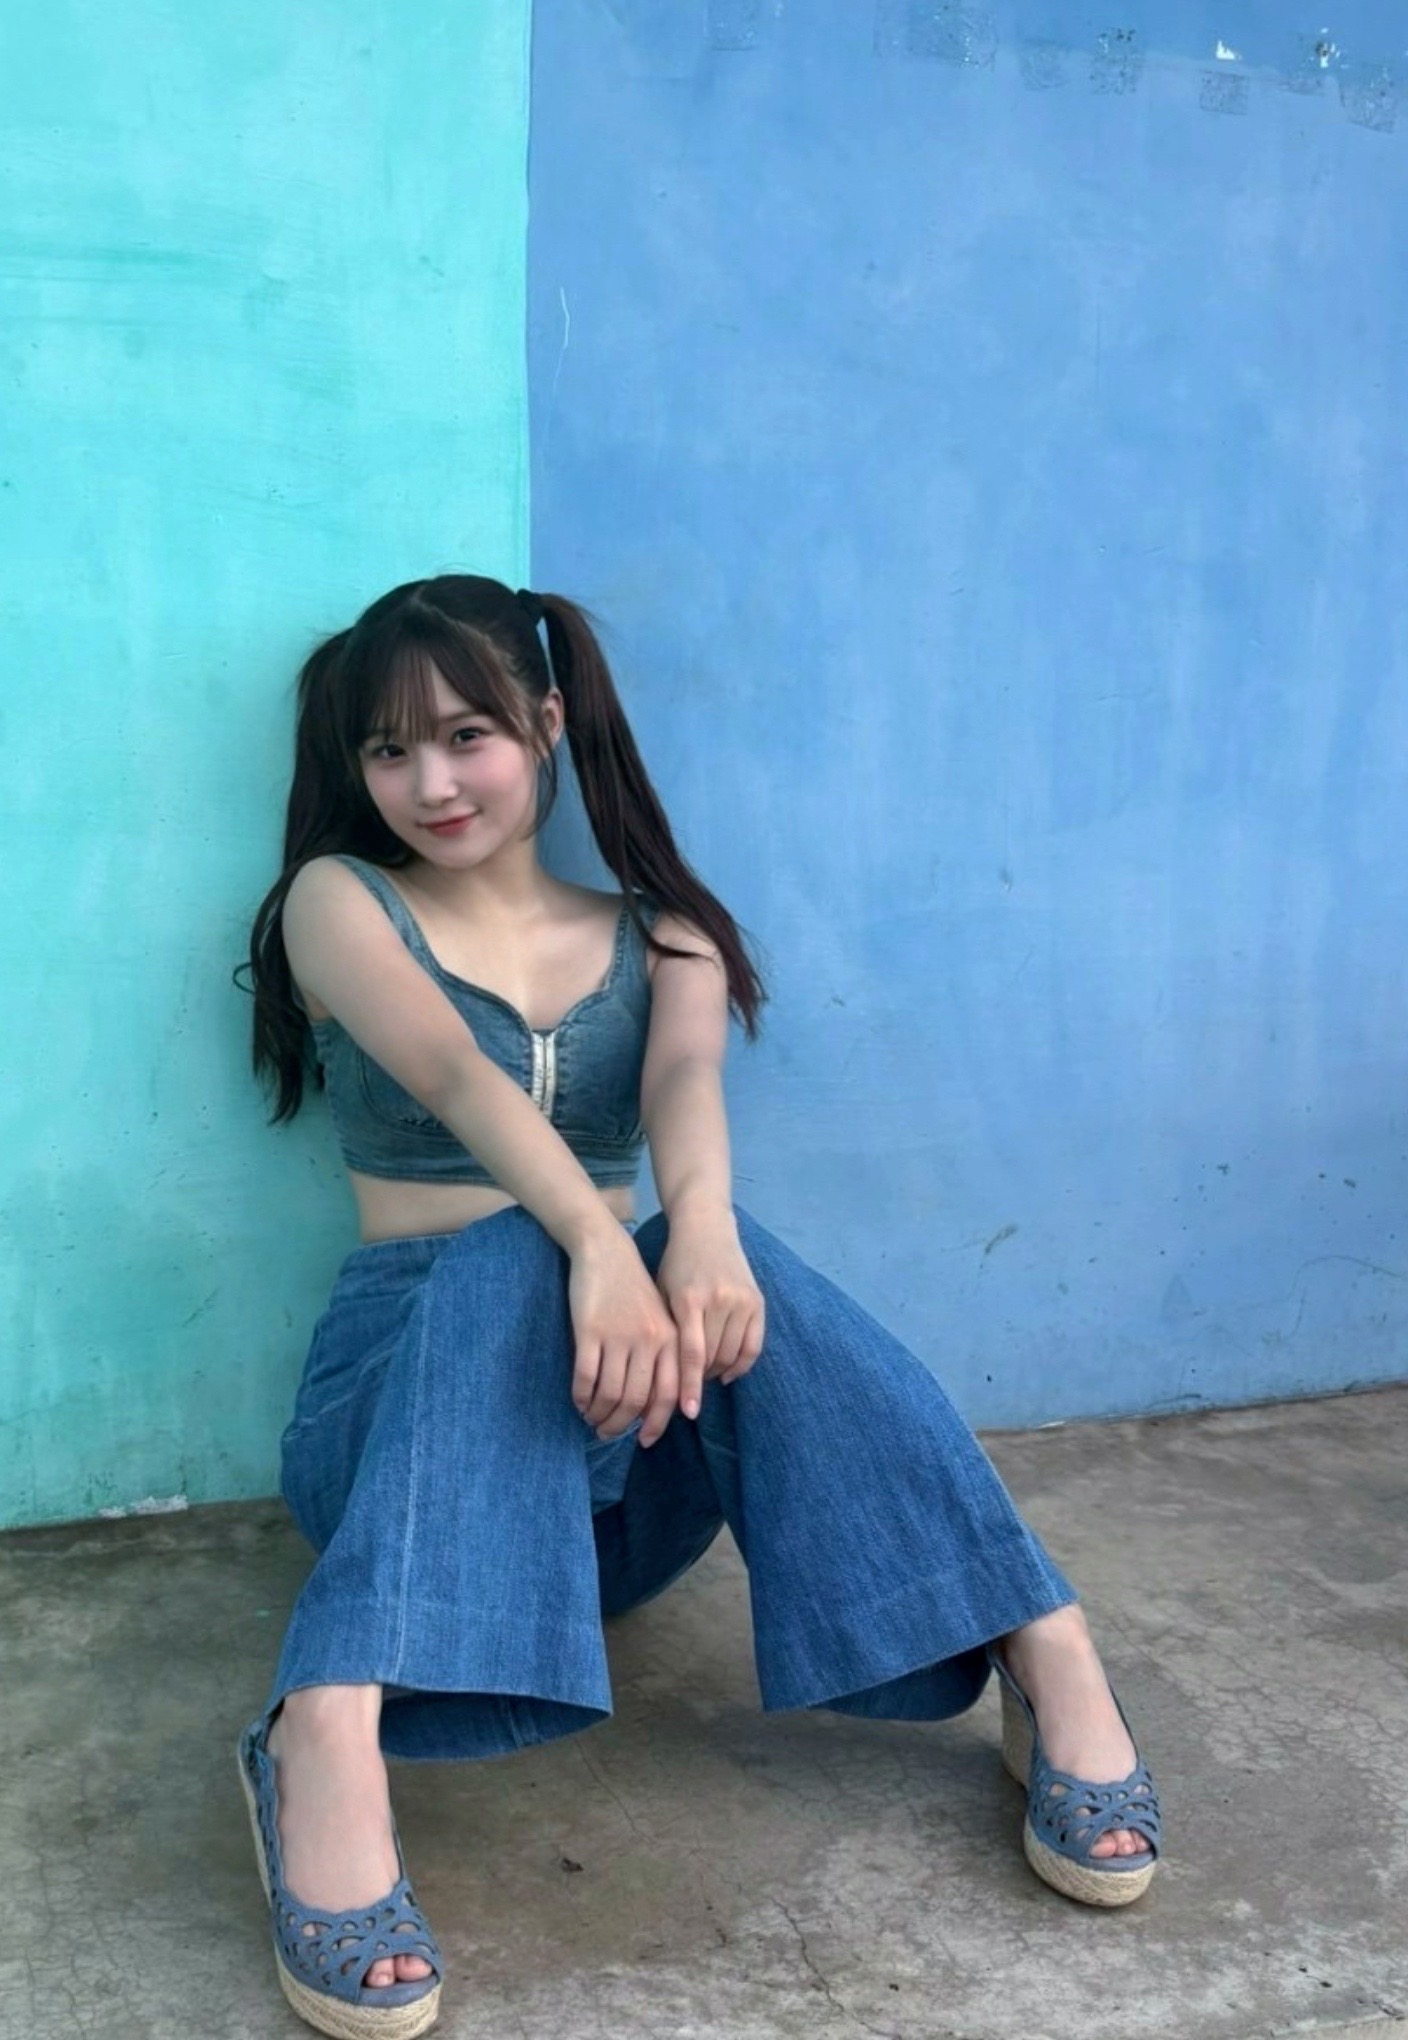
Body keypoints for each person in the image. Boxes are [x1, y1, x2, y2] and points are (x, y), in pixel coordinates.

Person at [237, 575, 1161, 2037]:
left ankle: (1040, 1640)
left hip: (616, 1452)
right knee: (514, 1254)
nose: (431, 783)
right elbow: (460, 1078)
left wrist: (698, 1240)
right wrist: (594, 1245)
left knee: (732, 1257)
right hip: (400, 1450)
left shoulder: (664, 931)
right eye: (390, 751)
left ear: (547, 723)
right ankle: (324, 1729)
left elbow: (680, 1083)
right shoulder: (340, 903)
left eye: (468, 737)